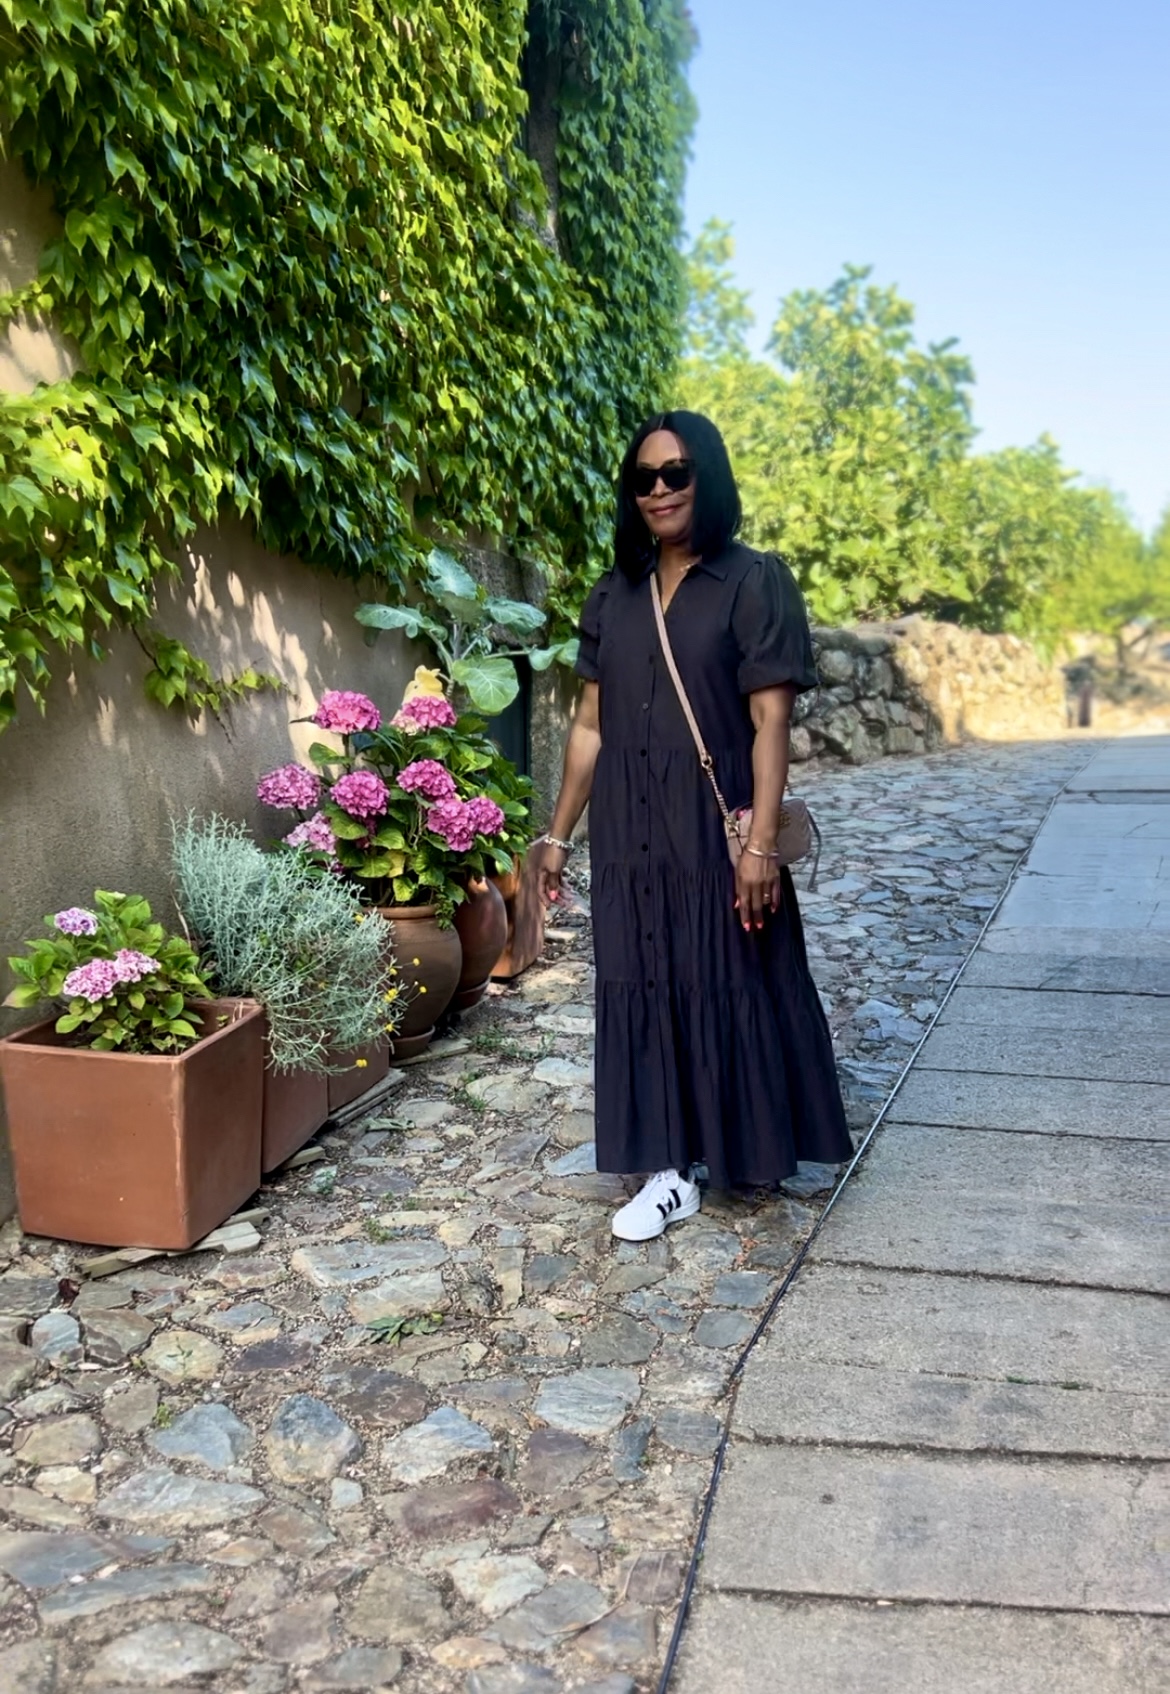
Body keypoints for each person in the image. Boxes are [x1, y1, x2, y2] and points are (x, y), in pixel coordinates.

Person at [532, 410, 852, 1242]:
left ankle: (747, 1145)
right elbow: (591, 726)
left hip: (713, 829)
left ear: (707, 479)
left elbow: (769, 723)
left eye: (677, 474)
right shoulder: (615, 594)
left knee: (729, 973)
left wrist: (759, 847)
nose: (660, 491)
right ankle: (668, 1170)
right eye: (644, 478)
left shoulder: (753, 581)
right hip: (630, 827)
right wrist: (559, 833)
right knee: (639, 976)